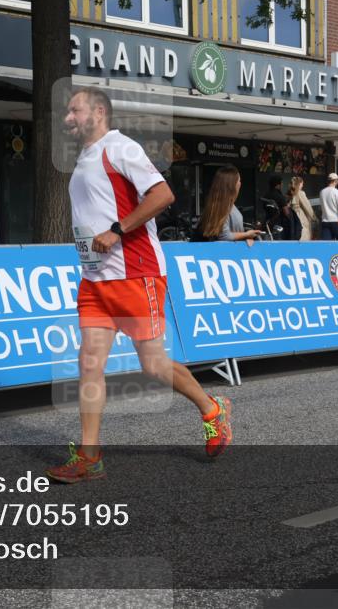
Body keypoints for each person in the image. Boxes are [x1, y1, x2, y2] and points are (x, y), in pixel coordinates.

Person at [46, 87, 233, 483]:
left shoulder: (121, 147)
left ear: (98, 112)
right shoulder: (84, 158)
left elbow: (164, 193)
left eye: (74, 110)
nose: (67, 119)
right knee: (89, 363)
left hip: (136, 273)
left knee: (152, 365)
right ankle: (90, 456)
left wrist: (117, 230)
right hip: (96, 278)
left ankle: (212, 409)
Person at [193, 165, 262, 243]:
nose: (240, 184)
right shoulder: (221, 207)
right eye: (239, 181)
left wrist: (247, 236)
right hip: (225, 254)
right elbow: (224, 236)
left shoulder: (226, 206)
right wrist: (246, 235)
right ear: (232, 185)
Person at [318, 173, 338, 240]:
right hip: (337, 222)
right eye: (337, 181)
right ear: (335, 181)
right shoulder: (337, 192)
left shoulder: (322, 192)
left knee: (327, 246)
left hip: (325, 221)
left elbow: (321, 207)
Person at [288, 176, 316, 241]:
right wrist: (314, 218)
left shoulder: (290, 193)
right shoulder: (300, 193)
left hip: (293, 221)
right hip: (301, 221)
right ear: (300, 183)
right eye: (302, 184)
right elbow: (308, 208)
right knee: (303, 242)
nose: (303, 186)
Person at [265, 175, 290, 240]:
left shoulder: (266, 195)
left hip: (267, 223)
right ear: (277, 184)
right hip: (279, 225)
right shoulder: (279, 196)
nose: (282, 185)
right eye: (281, 183)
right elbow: (286, 212)